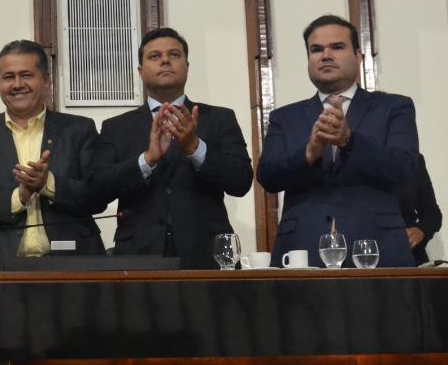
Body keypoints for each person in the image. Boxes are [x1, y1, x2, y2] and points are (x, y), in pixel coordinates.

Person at [257, 14, 418, 267]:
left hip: (376, 246)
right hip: (301, 248)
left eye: (337, 47)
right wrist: (308, 154)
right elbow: (267, 177)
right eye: (316, 49)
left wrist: (349, 140)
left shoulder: (393, 107)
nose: (326, 55)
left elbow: (404, 167)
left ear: (358, 56)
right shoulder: (284, 117)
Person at [89, 27, 253, 270]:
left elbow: (241, 182)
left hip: (207, 255)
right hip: (138, 256)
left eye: (174, 55)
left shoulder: (219, 118)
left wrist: (195, 148)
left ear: (187, 66)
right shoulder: (116, 127)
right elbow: (95, 190)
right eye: (154, 56)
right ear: (140, 71)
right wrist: (146, 160)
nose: (165, 60)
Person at [0, 39, 105, 269]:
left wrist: (48, 185)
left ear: (46, 80)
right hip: (0, 266)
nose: (17, 84)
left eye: (26, 75)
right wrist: (19, 197)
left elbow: (98, 194)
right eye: (8, 77)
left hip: (72, 264)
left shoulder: (79, 129)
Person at [396, 154, 442, 265]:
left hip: (409, 252)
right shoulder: (355, 158)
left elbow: (433, 214)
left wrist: (421, 230)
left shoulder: (413, 160)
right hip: (363, 252)